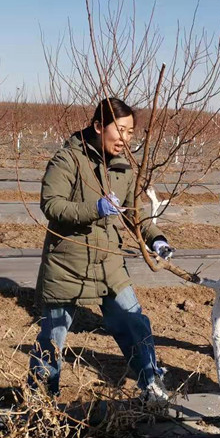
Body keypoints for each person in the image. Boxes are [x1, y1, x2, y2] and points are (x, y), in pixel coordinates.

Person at [29, 97, 174, 404]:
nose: (125, 138)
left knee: (134, 323)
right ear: (98, 126)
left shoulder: (123, 168)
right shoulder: (68, 159)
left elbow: (134, 215)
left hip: (109, 263)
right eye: (119, 130)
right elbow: (51, 205)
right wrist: (94, 208)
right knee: (53, 335)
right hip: (68, 262)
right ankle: (40, 398)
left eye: (131, 132)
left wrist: (156, 238)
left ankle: (153, 386)